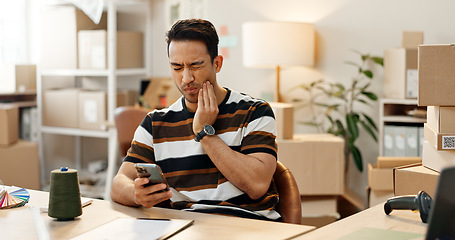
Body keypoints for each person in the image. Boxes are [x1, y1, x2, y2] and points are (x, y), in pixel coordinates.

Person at [111, 19, 280, 221]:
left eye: (195, 66)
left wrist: (204, 133)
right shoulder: (155, 123)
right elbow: (119, 183)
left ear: (217, 64)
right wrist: (135, 193)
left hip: (245, 224)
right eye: (177, 67)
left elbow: (257, 186)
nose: (186, 78)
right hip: (184, 226)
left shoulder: (255, 111)